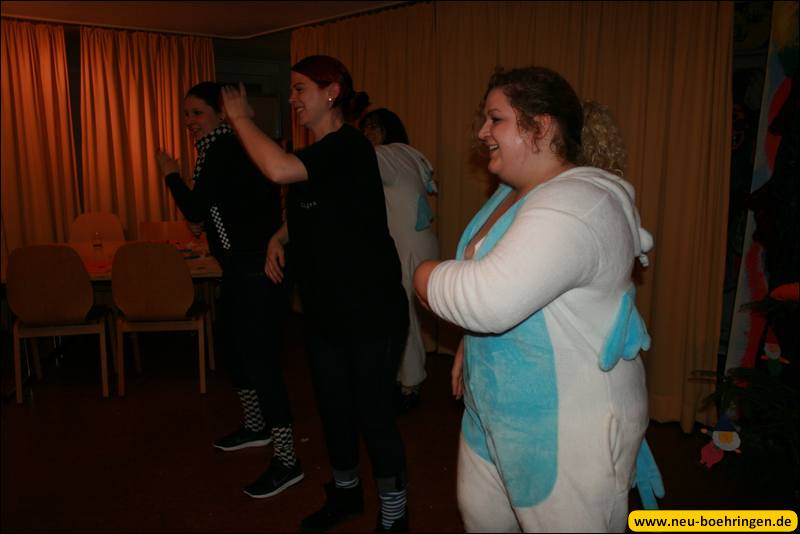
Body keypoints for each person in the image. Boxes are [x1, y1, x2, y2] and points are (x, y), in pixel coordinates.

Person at [413, 67, 663, 532]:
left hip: (568, 428)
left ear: (541, 127)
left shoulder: (578, 204)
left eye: (496, 119)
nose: (482, 132)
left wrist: (422, 275)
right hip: (498, 411)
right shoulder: (514, 192)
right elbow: (515, 283)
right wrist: (472, 341)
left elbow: (488, 297)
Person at [220, 56, 410, 533]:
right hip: (326, 311)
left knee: (373, 414)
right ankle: (346, 494)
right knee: (334, 409)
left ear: (332, 91)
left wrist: (240, 118)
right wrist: (278, 236)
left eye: (299, 88)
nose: (292, 99)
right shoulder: (322, 155)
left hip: (371, 311)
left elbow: (279, 169)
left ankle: (395, 516)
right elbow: (313, 209)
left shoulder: (349, 147)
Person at [156, 81, 302, 499]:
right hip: (240, 268)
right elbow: (220, 205)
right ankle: (256, 427)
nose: (189, 122)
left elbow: (196, 206)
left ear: (221, 114)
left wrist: (170, 175)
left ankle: (288, 459)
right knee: (236, 351)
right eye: (186, 114)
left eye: (197, 113)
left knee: (260, 362)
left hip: (258, 270)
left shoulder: (224, 148)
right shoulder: (222, 149)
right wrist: (205, 215)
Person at [359, 108, 439, 412]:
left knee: (402, 317)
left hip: (406, 248)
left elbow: (353, 161)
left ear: (383, 130)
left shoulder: (386, 155)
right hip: (420, 244)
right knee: (405, 316)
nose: (366, 135)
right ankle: (404, 380)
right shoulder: (411, 155)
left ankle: (410, 385)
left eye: (371, 128)